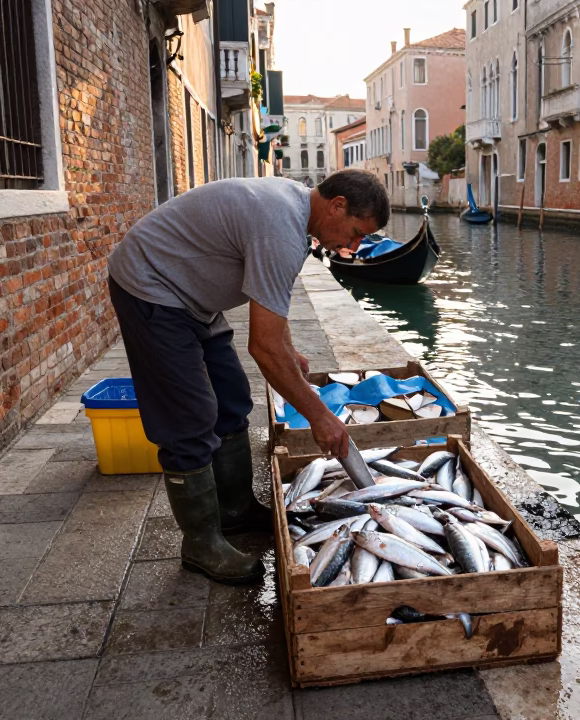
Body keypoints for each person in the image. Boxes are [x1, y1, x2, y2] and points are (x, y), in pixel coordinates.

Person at [106, 170, 390, 585]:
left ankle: (236, 510)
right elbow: (264, 348)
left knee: (233, 398)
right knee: (189, 418)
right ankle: (200, 544)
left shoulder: (296, 214)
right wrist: (320, 417)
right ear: (337, 205)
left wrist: (288, 348)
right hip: (151, 287)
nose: (352, 246)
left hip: (193, 298)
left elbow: (273, 307)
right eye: (354, 232)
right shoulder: (281, 229)